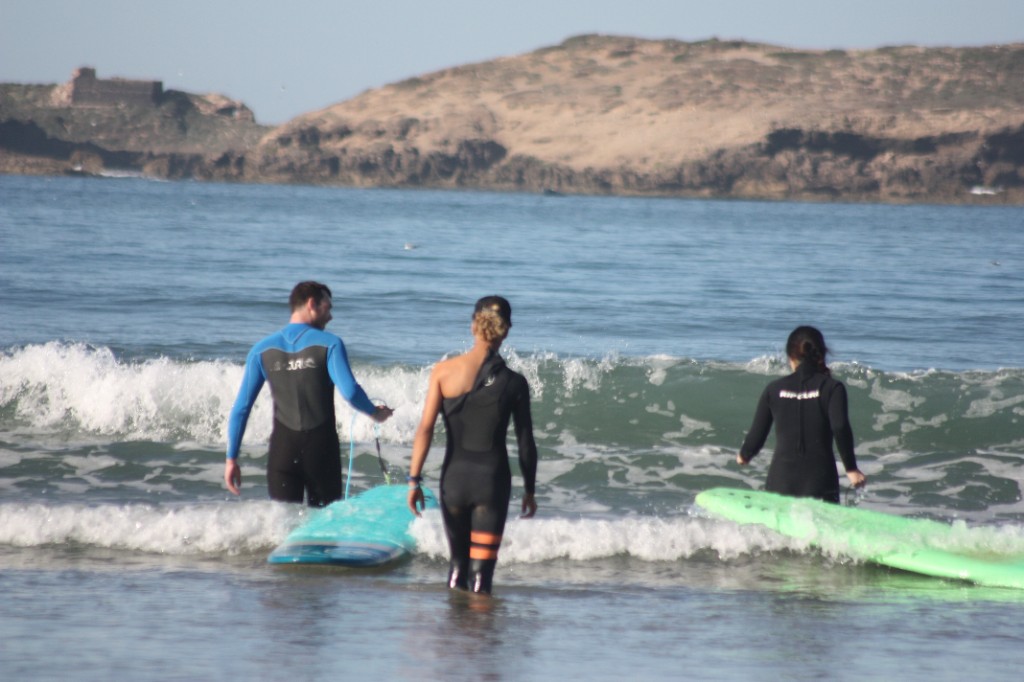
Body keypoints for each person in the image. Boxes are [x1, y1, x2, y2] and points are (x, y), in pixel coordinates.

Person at [407, 296, 538, 595]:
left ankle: (452, 636)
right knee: (482, 575)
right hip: (491, 484)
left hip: (453, 481)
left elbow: (425, 429)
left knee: (457, 566)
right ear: (506, 330)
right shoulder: (515, 382)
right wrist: (530, 489)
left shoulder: (442, 372)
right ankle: (478, 638)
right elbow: (525, 441)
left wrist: (413, 480)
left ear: (472, 327)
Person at [224, 281, 393, 506]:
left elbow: (241, 409)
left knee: (283, 526)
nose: (331, 316)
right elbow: (350, 392)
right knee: (324, 525)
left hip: (282, 452)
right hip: (320, 450)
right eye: (328, 307)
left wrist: (231, 459)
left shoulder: (261, 350)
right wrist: (373, 412)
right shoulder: (330, 343)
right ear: (312, 303)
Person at [736, 325, 866, 503]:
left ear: (790, 358)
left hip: (780, 481)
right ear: (821, 354)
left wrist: (745, 454)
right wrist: (851, 469)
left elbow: (757, 435)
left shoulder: (774, 389)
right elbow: (839, 426)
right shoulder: (832, 388)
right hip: (820, 482)